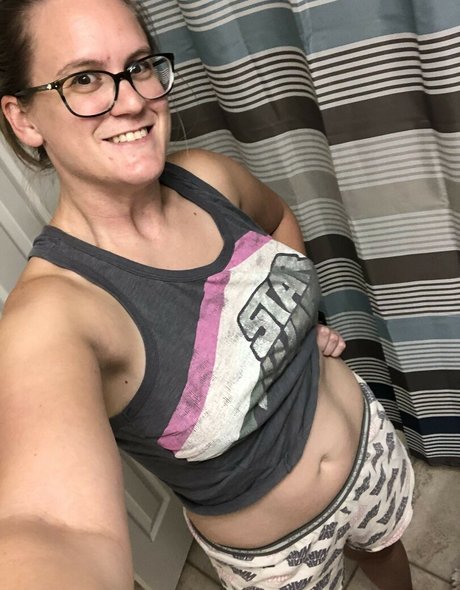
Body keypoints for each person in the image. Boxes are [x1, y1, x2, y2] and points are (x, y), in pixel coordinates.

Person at [0, 0, 415, 588]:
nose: (132, 100)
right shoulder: (53, 314)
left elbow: (278, 221)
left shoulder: (207, 176)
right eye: (85, 79)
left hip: (369, 452)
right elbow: (52, 527)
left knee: (389, 555)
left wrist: (302, 328)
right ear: (24, 117)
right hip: (278, 559)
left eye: (139, 65)